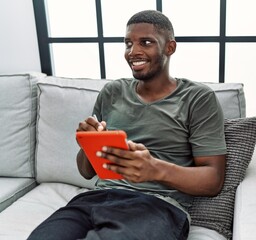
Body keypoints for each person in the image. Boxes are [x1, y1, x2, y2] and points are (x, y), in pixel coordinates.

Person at [28, 10, 226, 240]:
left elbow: (213, 180)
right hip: (94, 200)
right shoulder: (113, 92)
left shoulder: (197, 98)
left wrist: (154, 169)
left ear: (170, 47)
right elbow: (86, 171)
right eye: (128, 43)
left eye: (146, 42)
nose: (133, 52)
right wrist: (87, 143)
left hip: (157, 206)